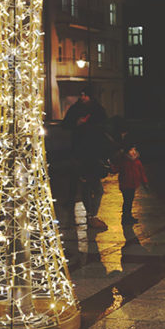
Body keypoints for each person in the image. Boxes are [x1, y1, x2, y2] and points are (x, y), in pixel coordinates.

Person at [62, 88, 110, 231]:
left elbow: (104, 126)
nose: (83, 97)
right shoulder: (76, 109)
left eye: (86, 95)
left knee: (92, 186)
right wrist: (77, 123)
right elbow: (65, 124)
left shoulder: (97, 110)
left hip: (93, 151)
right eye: (81, 95)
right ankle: (90, 215)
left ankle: (90, 215)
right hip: (80, 151)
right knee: (84, 184)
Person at [112, 143, 149, 224]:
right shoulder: (123, 161)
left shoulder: (137, 161)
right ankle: (125, 217)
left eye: (134, 150)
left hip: (133, 184)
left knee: (130, 201)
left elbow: (141, 172)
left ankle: (128, 216)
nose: (133, 152)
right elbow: (116, 169)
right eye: (131, 150)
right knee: (127, 201)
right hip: (125, 185)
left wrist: (145, 182)